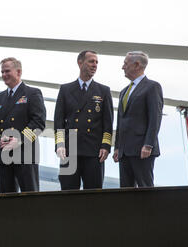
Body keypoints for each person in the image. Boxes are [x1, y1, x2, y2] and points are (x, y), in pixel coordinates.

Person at [54, 50, 113, 190]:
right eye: (91, 61)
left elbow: (108, 122)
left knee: (93, 195)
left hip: (93, 150)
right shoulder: (65, 89)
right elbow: (59, 121)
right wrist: (60, 144)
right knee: (67, 193)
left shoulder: (103, 91)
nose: (95, 65)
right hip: (69, 149)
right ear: (80, 63)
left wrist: (105, 146)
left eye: (97, 62)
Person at [0, 57, 46, 193]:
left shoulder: (33, 93)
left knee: (30, 199)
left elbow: (38, 122)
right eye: (2, 72)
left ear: (18, 72)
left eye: (7, 71)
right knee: (6, 199)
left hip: (26, 155)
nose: (4, 75)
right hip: (5, 155)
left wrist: (19, 140)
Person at [112, 51, 163, 187]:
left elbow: (155, 118)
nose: (123, 67)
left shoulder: (152, 87)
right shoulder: (124, 91)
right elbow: (120, 121)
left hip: (142, 150)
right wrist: (117, 147)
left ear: (136, 65)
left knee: (144, 188)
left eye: (125, 64)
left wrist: (148, 145)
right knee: (126, 191)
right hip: (125, 151)